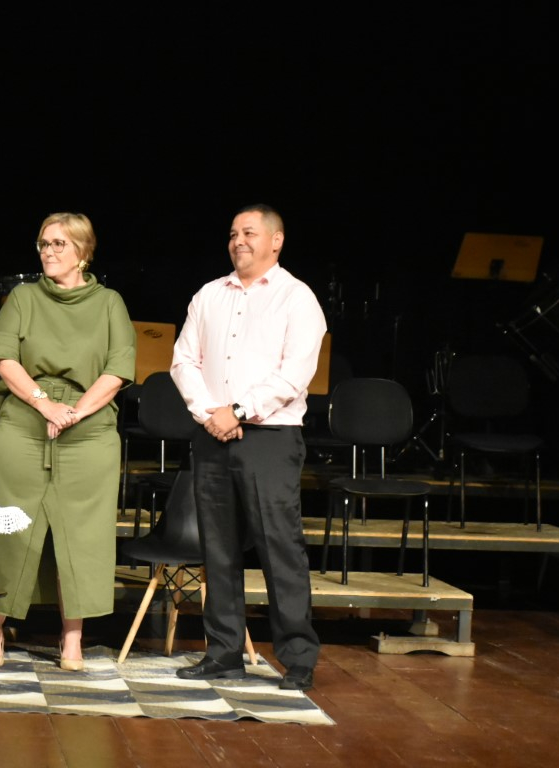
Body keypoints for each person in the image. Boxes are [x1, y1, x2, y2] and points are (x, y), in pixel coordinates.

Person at [169, 203, 326, 691]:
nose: (239, 240)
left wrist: (237, 411)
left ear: (276, 241)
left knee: (280, 547)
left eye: (250, 233)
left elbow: (294, 373)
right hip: (212, 433)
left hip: (270, 438)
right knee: (218, 549)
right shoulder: (209, 295)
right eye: (234, 233)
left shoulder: (296, 298)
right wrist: (211, 414)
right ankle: (223, 652)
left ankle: (297, 657)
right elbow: (183, 361)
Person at [0, 212, 135, 671]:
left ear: (83, 252)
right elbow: (4, 357)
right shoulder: (23, 297)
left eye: (59, 244)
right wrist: (45, 404)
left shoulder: (109, 302)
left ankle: (73, 637)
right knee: (11, 527)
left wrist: (75, 412)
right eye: (44, 244)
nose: (48, 252)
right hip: (26, 418)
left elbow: (118, 368)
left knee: (83, 533)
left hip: (88, 427)